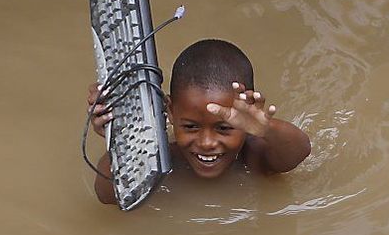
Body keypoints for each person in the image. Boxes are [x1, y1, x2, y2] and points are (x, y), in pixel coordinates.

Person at [86, 39, 312, 205]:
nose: (206, 142)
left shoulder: (254, 155)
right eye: (191, 127)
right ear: (170, 111)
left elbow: (299, 152)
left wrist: (267, 130)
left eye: (223, 128)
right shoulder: (160, 156)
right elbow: (107, 197)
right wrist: (120, 140)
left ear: (246, 121)